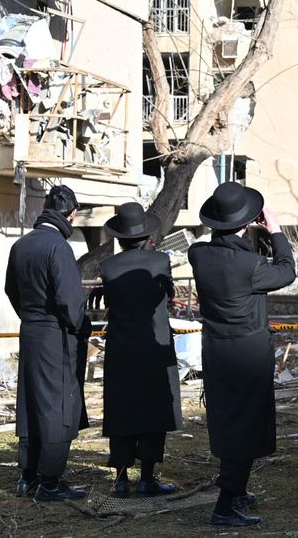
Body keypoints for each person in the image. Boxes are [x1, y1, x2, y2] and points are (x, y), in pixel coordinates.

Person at [189, 182, 296, 527]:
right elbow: (287, 271)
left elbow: (214, 249)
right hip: (248, 354)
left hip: (217, 350)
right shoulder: (251, 265)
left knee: (228, 422)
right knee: (246, 426)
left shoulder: (198, 256)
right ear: (248, 223)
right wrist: (276, 231)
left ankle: (236, 490)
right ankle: (224, 505)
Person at [4, 185, 90, 502]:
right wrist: (80, 327)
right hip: (56, 335)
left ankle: (27, 476)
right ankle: (51, 482)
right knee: (58, 404)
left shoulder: (21, 245)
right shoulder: (59, 247)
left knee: (31, 402)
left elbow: (10, 290)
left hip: (30, 331)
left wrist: (30, 316)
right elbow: (70, 302)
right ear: (72, 214)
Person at [99, 202, 181, 498]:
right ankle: (147, 477)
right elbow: (168, 294)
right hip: (153, 345)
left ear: (119, 237)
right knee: (153, 409)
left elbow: (111, 302)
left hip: (121, 347)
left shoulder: (107, 267)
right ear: (147, 236)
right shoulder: (160, 261)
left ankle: (120, 479)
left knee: (121, 409)